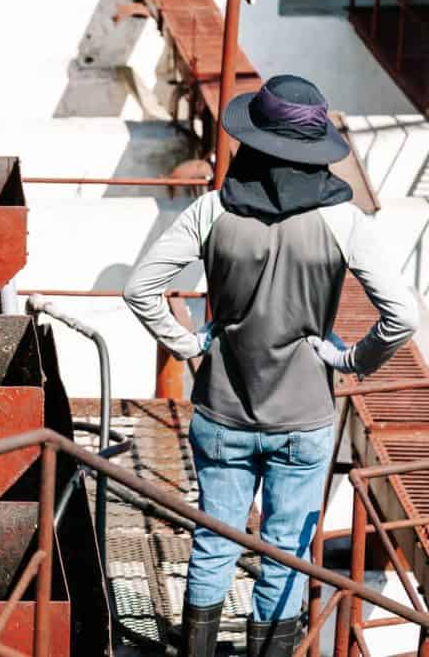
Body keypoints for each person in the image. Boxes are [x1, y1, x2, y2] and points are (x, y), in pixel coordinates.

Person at [123, 75, 418, 656]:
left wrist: (189, 345)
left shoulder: (211, 210)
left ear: (251, 142)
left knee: (215, 541)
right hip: (304, 416)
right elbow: (402, 316)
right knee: (285, 553)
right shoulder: (344, 221)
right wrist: (350, 359)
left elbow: (140, 289)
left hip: (223, 409)